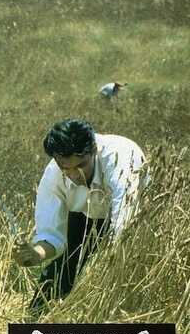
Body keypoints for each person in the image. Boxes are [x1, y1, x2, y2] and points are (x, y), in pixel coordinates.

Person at [14, 119, 146, 314]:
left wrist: (104, 269)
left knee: (122, 284)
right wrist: (37, 254)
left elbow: (124, 221)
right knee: (50, 288)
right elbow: (52, 233)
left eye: (81, 165)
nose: (74, 174)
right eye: (66, 168)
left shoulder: (119, 156)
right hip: (86, 216)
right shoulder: (53, 174)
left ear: (93, 149)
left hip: (140, 215)